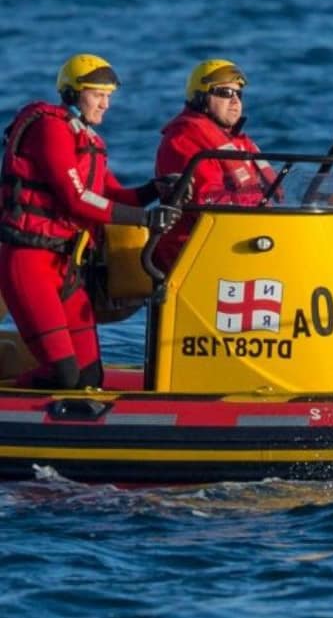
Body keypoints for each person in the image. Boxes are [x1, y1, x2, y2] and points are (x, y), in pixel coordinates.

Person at [0, 54, 180, 389]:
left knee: (89, 377)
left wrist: (154, 190)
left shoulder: (89, 141)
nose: (106, 104)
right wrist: (146, 219)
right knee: (64, 375)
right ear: (72, 93)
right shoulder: (49, 129)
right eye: (98, 94)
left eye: (109, 96)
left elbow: (111, 197)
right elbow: (76, 198)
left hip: (67, 268)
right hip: (30, 264)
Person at [152, 59, 275, 271]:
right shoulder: (184, 140)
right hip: (197, 256)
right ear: (201, 97)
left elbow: (277, 193)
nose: (235, 100)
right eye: (225, 93)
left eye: (238, 94)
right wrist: (259, 204)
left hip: (242, 244)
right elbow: (206, 200)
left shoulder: (238, 142)